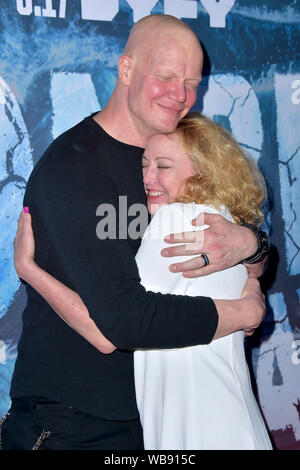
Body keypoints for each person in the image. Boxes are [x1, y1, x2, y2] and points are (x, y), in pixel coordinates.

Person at [2, 15, 268, 450]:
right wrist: (244, 314)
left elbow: (248, 261)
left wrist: (252, 245)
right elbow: (117, 327)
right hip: (74, 422)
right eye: (165, 76)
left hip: (152, 420)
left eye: (191, 81)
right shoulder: (75, 168)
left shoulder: (182, 157)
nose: (180, 94)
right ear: (126, 69)